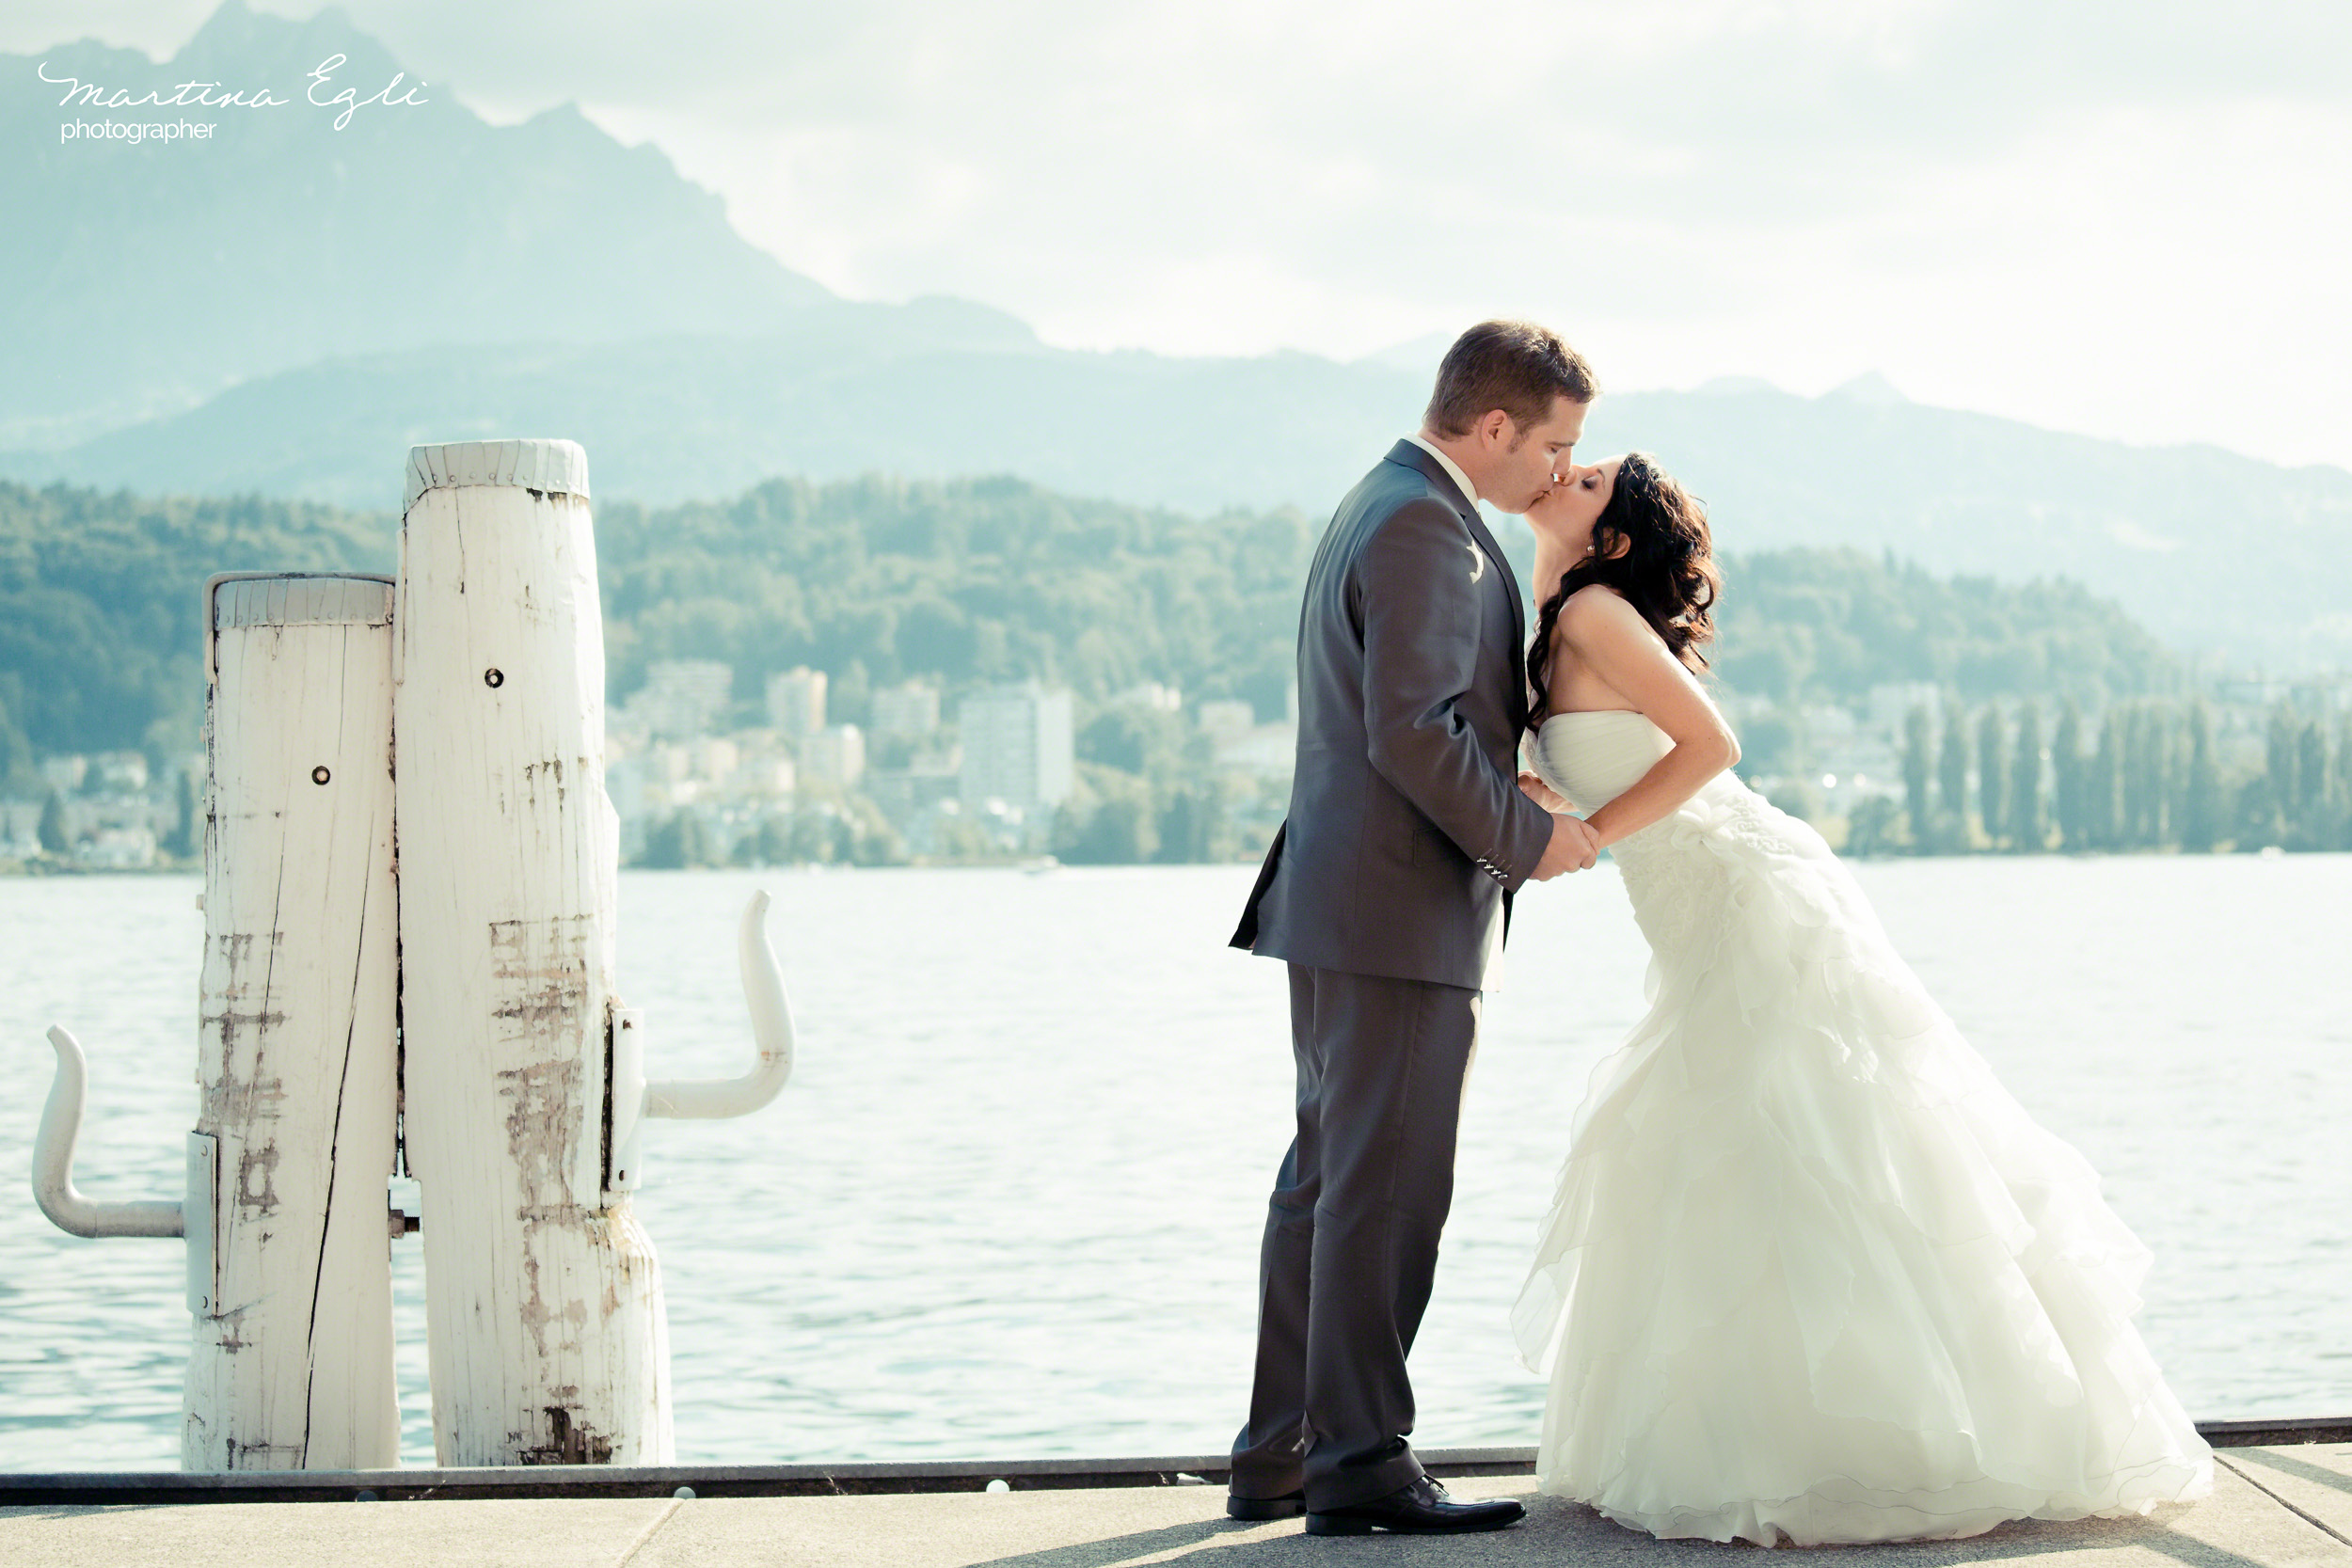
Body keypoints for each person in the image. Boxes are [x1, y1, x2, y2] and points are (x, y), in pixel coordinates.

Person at [1511, 451, 2215, 1546]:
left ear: (1610, 539)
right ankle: (1779, 1431)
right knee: (1738, 1138)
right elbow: (1622, 749)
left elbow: (1711, 746)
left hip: (1747, 892)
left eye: (1590, 476)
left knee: (1812, 1133)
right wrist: (1547, 791)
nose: (1568, 472)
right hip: (1695, 903)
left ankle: (1888, 1436)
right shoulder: (1563, 618)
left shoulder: (1595, 608)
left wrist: (1591, 833)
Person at [1224, 321, 1605, 1536]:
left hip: (1351, 902)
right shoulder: (1424, 526)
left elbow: (1422, 723)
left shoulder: (1381, 505)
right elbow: (1413, 731)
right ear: (1492, 426)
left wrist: (1511, 786)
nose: (1556, 471)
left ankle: (1284, 1449)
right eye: (1552, 445)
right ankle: (1361, 1461)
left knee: (1329, 1183)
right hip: (1395, 909)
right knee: (1384, 1191)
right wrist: (1530, 839)